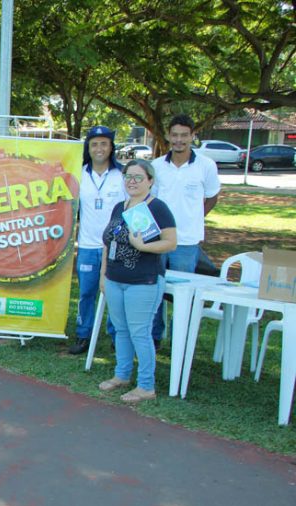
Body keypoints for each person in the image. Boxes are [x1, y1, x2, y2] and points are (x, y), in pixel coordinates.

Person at [99, 159, 177, 402]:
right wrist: (103, 275)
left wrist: (144, 246)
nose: (132, 182)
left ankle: (146, 385)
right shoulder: (119, 207)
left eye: (138, 177)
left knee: (139, 332)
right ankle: (122, 375)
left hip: (143, 281)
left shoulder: (158, 207)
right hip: (115, 279)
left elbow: (171, 242)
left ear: (150, 181)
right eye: (128, 177)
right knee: (121, 330)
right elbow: (107, 244)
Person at [150, 114, 221, 346]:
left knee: (183, 295)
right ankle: (155, 336)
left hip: (187, 242)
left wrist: (195, 218)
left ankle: (183, 340)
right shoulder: (157, 166)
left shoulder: (206, 165)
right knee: (155, 290)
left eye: (184, 135)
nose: (179, 140)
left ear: (192, 136)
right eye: (175, 135)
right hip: (158, 240)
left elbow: (212, 197)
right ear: (168, 136)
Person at [68, 126, 126, 355]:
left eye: (104, 144)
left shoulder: (122, 175)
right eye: (94, 144)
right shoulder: (78, 173)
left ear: (111, 147)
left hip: (116, 247)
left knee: (114, 295)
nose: (99, 148)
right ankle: (84, 335)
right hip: (88, 245)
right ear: (88, 148)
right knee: (86, 293)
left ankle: (115, 337)